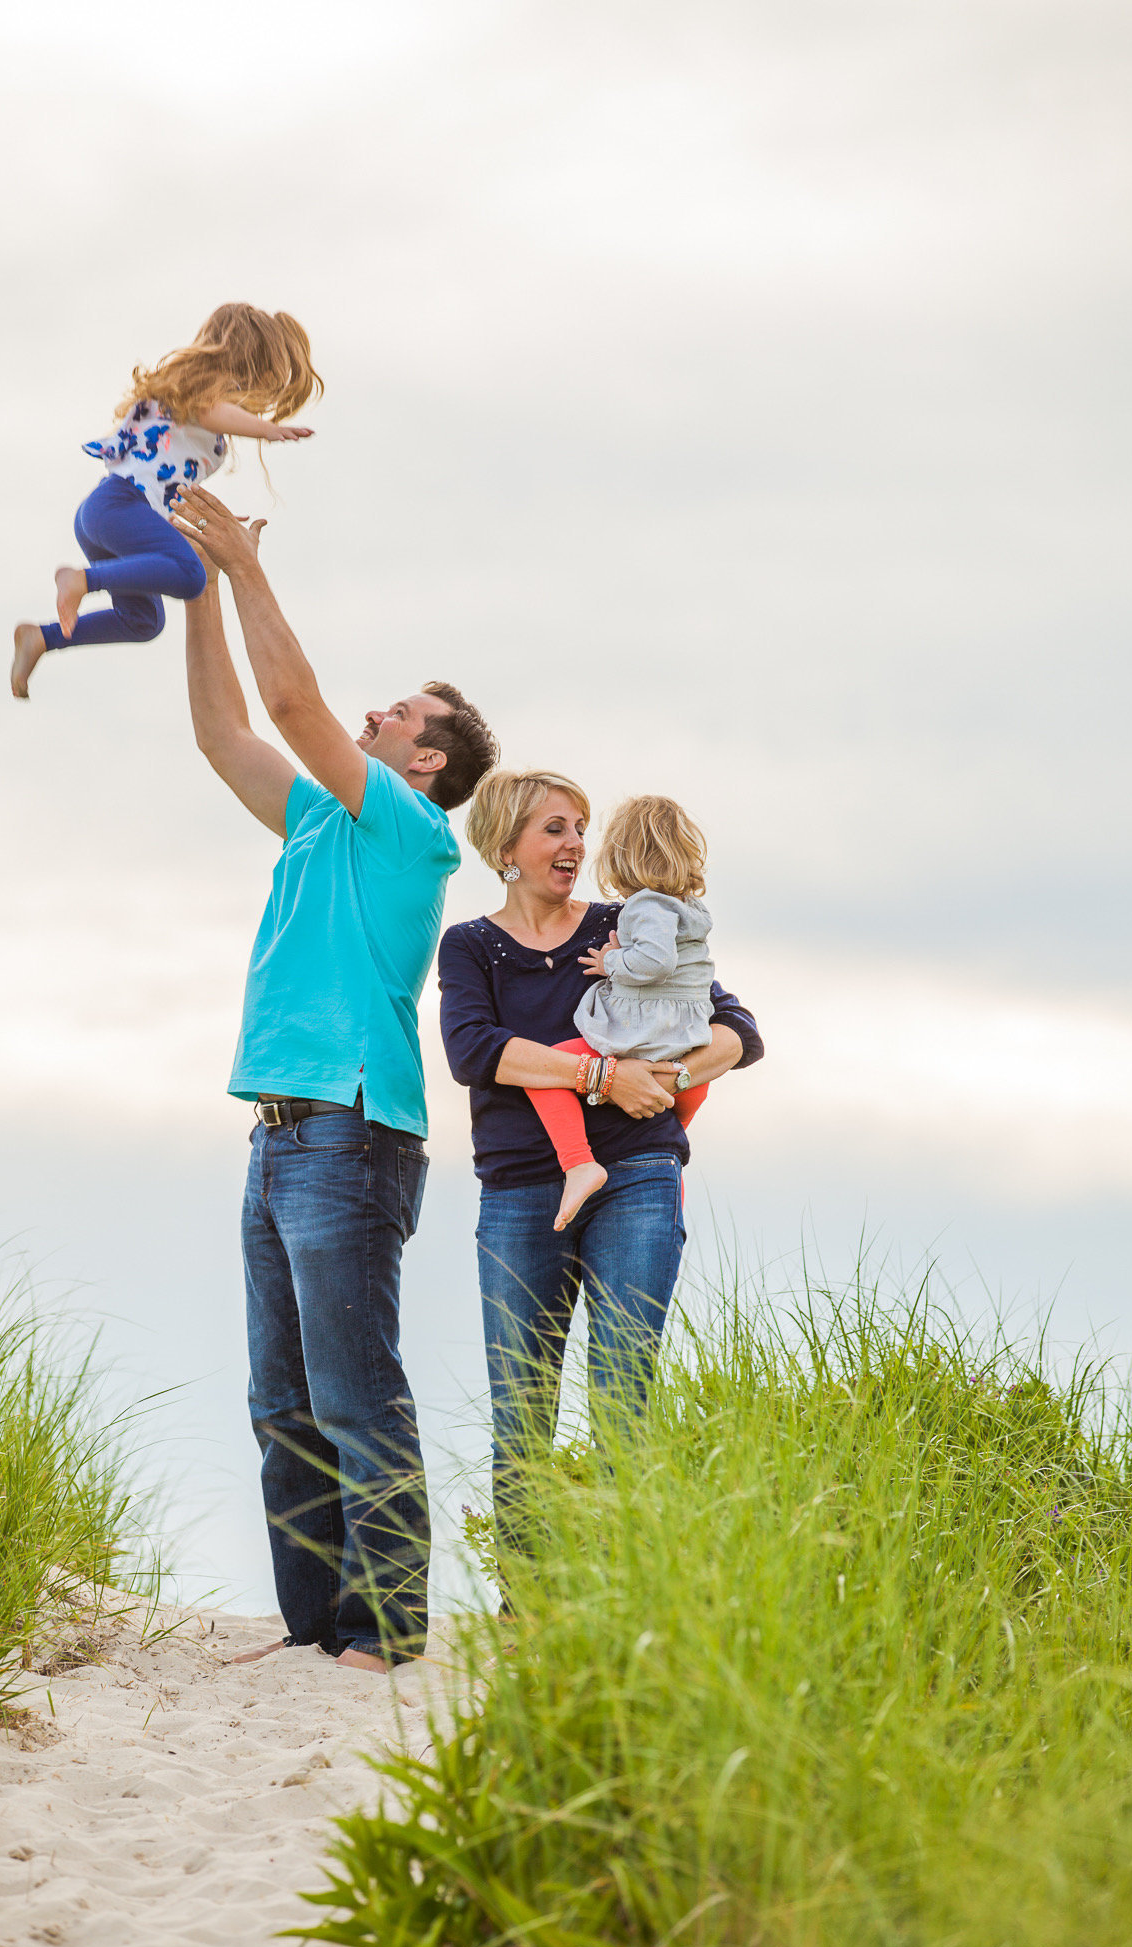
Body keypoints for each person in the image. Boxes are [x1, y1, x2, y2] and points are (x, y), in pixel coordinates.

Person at [173, 481, 498, 1672]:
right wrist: (196, 578)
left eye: (401, 710)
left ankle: (389, 1627)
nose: (374, 711)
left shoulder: (414, 829)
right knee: (282, 1403)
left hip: (353, 1138)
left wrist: (246, 562)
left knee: (357, 1396)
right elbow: (224, 733)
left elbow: (294, 700)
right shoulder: (320, 817)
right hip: (276, 1133)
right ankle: (317, 1626)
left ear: (427, 757)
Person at [437, 768, 762, 1563]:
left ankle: (621, 1600)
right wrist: (597, 1075)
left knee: (623, 1393)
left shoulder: (625, 926)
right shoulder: (470, 945)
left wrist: (671, 1077)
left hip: (636, 1175)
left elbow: (737, 1029)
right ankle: (527, 1612)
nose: (575, 843)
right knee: (522, 1409)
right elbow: (472, 1051)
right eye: (554, 827)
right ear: (504, 845)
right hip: (519, 1191)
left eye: (580, 827)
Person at [11, 302, 320, 699]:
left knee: (143, 621)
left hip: (107, 514)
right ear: (241, 365)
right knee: (189, 575)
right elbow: (211, 409)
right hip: (119, 506)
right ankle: (81, 580)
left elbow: (167, 474)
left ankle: (41, 638)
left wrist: (208, 515)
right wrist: (266, 429)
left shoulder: (183, 404)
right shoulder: (196, 394)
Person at [524, 792, 717, 1231]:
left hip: (646, 1037)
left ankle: (578, 1164)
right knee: (668, 1140)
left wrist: (611, 962)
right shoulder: (691, 908)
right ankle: (670, 1165)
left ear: (622, 857)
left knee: (549, 1071)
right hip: (685, 1046)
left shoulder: (648, 905)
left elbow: (655, 962)